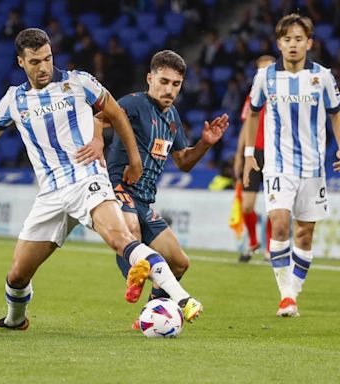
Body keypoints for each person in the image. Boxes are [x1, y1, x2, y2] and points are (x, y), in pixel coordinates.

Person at [0, 28, 203, 331]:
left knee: (122, 239)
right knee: (17, 275)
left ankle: (182, 299)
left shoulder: (79, 82)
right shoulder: (14, 99)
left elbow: (115, 113)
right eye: (36, 61)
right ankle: (15, 321)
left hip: (86, 180)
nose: (44, 67)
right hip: (50, 195)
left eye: (48, 59)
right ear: (21, 62)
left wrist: (133, 158)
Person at [80, 50, 228, 329]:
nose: (169, 89)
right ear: (150, 78)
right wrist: (98, 142)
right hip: (118, 189)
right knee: (131, 229)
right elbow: (99, 117)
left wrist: (205, 143)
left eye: (176, 84)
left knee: (180, 262)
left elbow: (183, 161)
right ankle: (136, 277)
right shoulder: (134, 104)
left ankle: (149, 313)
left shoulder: (172, 118)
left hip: (145, 201)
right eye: (163, 81)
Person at [243, 14, 340, 317]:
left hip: (313, 168)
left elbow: (336, 113)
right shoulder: (265, 77)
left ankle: (293, 292)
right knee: (281, 222)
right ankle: (286, 295)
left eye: (299, 39)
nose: (293, 44)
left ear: (309, 42)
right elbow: (254, 113)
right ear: (279, 43)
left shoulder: (323, 77)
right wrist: (249, 154)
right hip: (278, 165)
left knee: (305, 234)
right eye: (287, 39)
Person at [233, 55, 275, 263]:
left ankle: (269, 249)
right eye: (260, 70)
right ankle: (252, 242)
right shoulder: (252, 98)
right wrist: (239, 156)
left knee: (273, 205)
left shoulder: (282, 96)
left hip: (276, 154)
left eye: (267, 69)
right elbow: (245, 127)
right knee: (247, 205)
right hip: (255, 153)